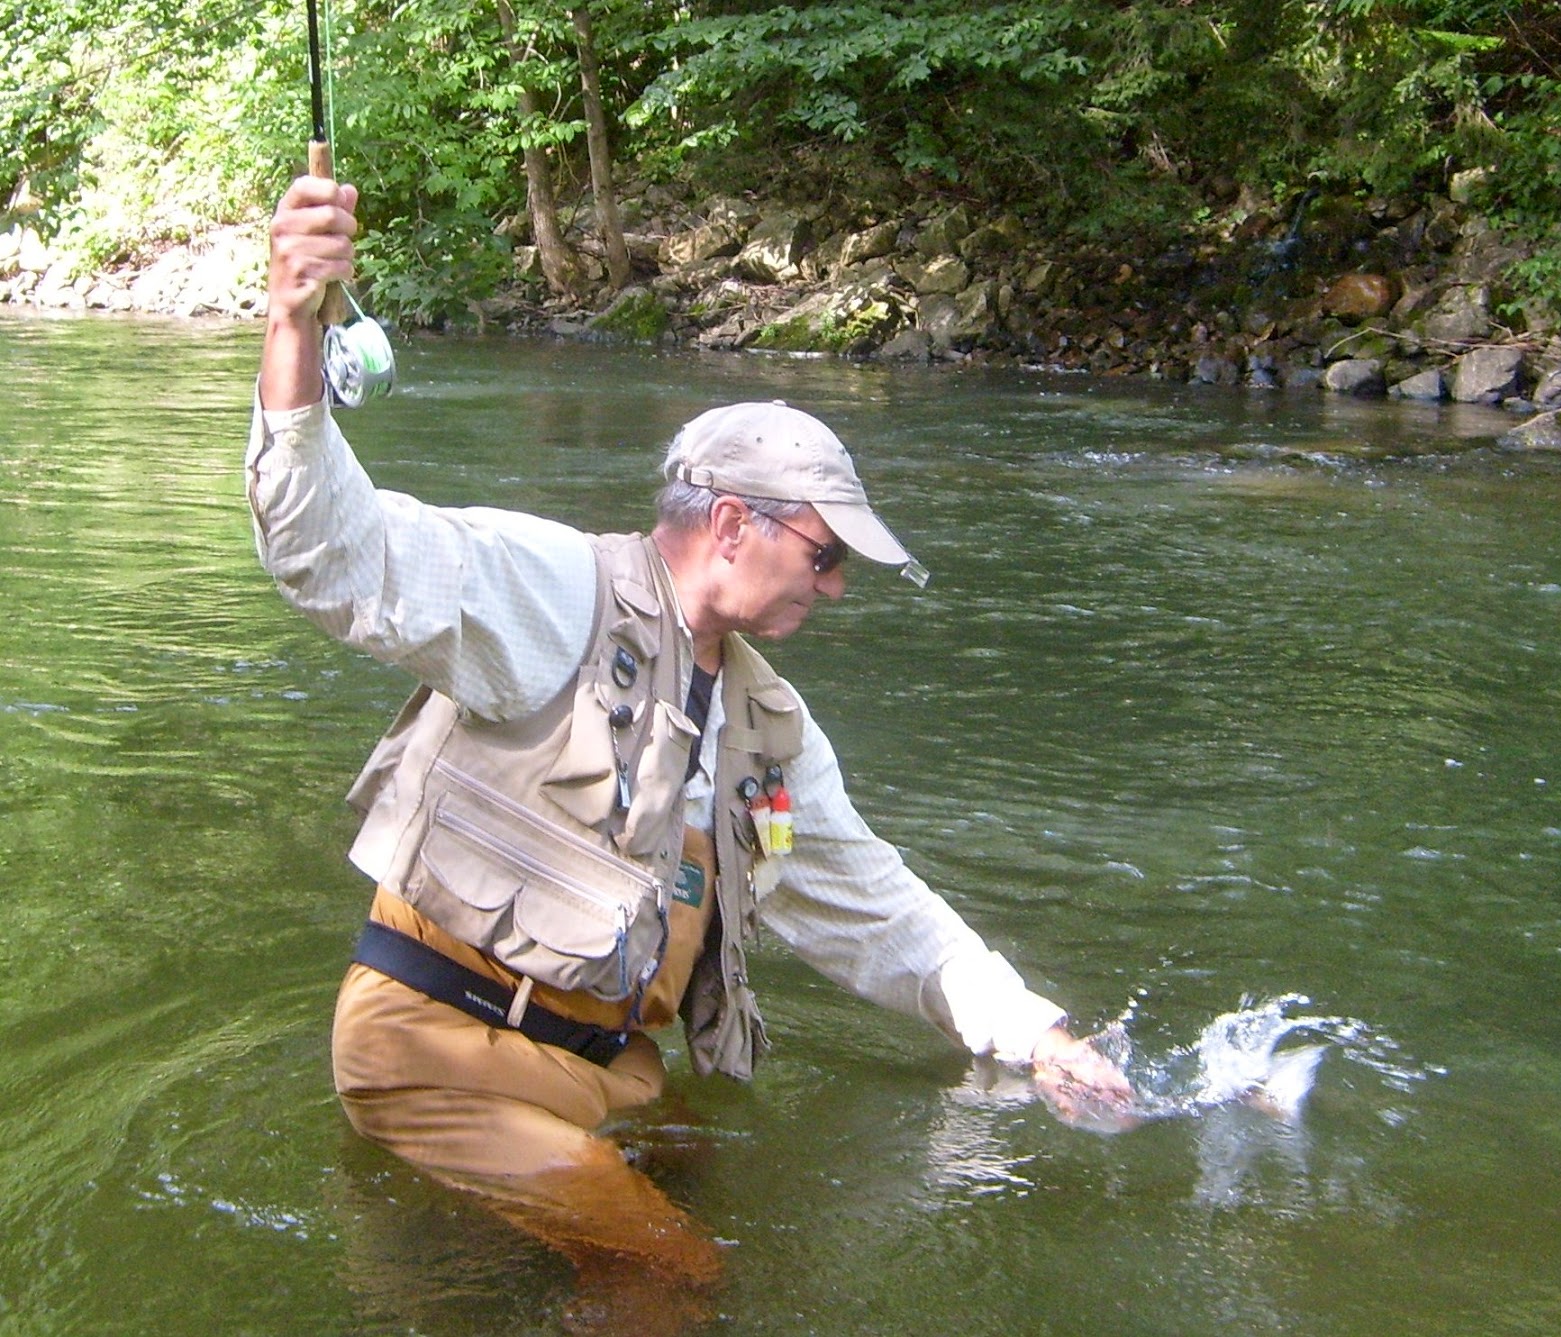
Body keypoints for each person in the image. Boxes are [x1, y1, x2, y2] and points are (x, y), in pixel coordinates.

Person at [248, 175, 1133, 1316]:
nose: (837, 583)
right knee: (677, 1267)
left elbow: (877, 908)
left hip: (611, 1069)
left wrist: (1040, 1036)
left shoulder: (773, 723)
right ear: (729, 525)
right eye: (825, 554)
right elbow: (334, 555)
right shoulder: (551, 585)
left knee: (682, 1218)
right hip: (435, 1043)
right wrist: (290, 322)